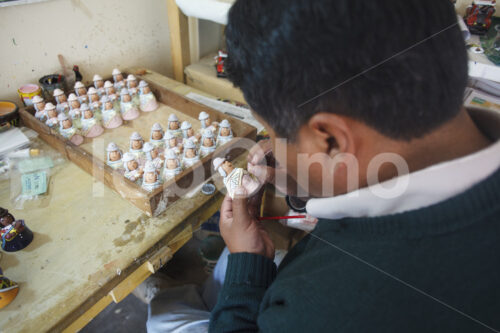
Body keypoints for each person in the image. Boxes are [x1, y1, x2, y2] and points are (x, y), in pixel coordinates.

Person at [148, 0, 500, 332]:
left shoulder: (323, 307)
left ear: (329, 139)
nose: (271, 146)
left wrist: (248, 262)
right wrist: (313, 185)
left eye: (272, 133)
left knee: (163, 316)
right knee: (224, 265)